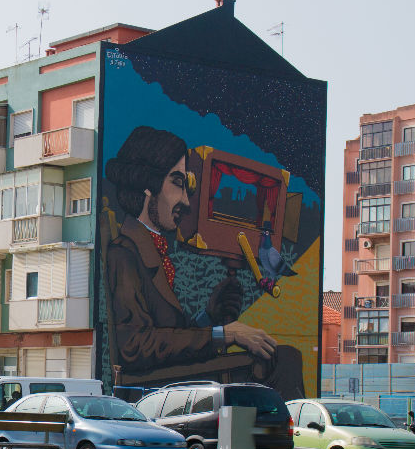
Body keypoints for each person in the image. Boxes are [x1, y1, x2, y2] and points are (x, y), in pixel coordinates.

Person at [104, 125, 305, 399]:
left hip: (175, 383)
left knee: (275, 356)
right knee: (282, 359)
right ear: (147, 185)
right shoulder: (124, 253)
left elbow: (171, 334)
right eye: (177, 183)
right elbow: (136, 345)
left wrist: (209, 316)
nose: (186, 201)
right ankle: (290, 434)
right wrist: (224, 335)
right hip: (162, 393)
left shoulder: (150, 248)